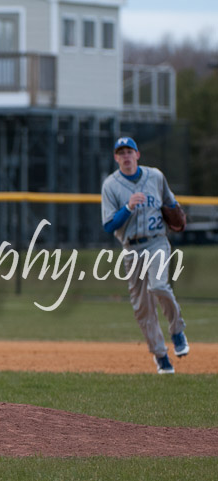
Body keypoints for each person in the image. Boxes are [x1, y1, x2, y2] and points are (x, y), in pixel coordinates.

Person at [101, 136, 189, 374]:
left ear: (137, 155)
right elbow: (109, 226)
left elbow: (171, 205)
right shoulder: (111, 185)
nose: (126, 156)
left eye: (130, 151)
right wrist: (127, 207)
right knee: (143, 308)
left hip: (156, 242)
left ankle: (177, 330)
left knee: (159, 286)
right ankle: (161, 357)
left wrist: (177, 217)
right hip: (131, 249)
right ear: (116, 158)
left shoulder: (156, 177)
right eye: (121, 152)